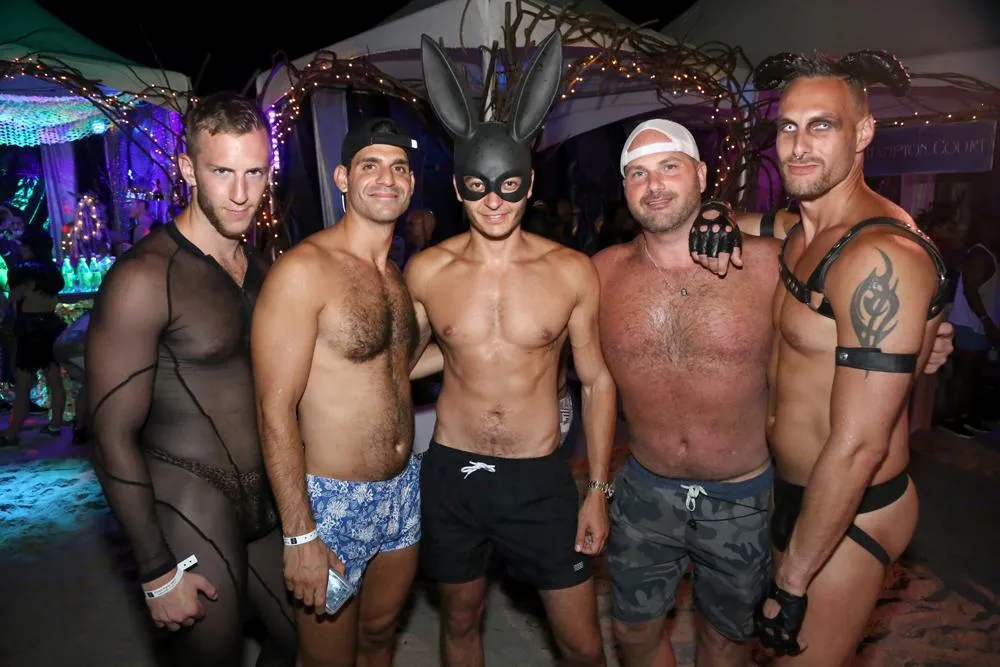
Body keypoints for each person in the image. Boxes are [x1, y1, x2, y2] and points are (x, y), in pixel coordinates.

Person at [405, 32, 616, 667]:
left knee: (583, 646)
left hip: (539, 478)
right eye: (477, 186)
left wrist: (598, 488)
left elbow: (597, 382)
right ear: (458, 187)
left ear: (528, 185)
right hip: (454, 474)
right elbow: (403, 365)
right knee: (460, 623)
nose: (493, 201)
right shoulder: (427, 271)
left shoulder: (572, 271)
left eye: (508, 185)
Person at [746, 51, 952, 664]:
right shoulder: (803, 230)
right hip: (796, 491)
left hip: (854, 503)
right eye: (788, 126)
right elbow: (753, 224)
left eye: (822, 125)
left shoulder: (877, 256)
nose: (799, 145)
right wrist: (709, 211)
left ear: (863, 133)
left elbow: (860, 443)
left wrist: (792, 583)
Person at [85, 92, 296, 666]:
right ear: (187, 168)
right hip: (189, 499)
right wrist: (155, 570)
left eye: (255, 172)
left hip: (267, 498)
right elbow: (108, 435)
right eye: (222, 171)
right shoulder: (144, 278)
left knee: (305, 644)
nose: (241, 193)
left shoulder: (263, 269)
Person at [594, 119, 781, 667]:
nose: (653, 185)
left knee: (725, 643)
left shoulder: (768, 264)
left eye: (668, 167)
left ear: (700, 174)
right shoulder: (602, 273)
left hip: (743, 497)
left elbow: (849, 242)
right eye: (637, 173)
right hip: (644, 492)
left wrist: (927, 329)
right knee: (632, 635)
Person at [252, 118, 422, 667]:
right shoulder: (304, 271)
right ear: (343, 178)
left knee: (380, 635)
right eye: (370, 166)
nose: (387, 179)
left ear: (412, 183)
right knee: (328, 659)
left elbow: (393, 370)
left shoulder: (395, 275)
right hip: (329, 501)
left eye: (399, 168)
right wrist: (299, 534)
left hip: (402, 491)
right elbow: (273, 409)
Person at [1, 229, 66, 447]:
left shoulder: (24, 271)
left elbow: (13, 298)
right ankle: (55, 426)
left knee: (23, 383)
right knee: (54, 379)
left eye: (23, 245)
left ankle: (12, 433)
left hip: (30, 329)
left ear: (30, 247)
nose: (19, 248)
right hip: (52, 325)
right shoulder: (52, 271)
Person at [939, 213, 1000, 437]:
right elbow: (970, 290)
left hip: (977, 324)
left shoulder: (985, 254)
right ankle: (952, 418)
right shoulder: (979, 255)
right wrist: (985, 320)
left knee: (972, 373)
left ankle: (965, 415)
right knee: (963, 373)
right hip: (969, 323)